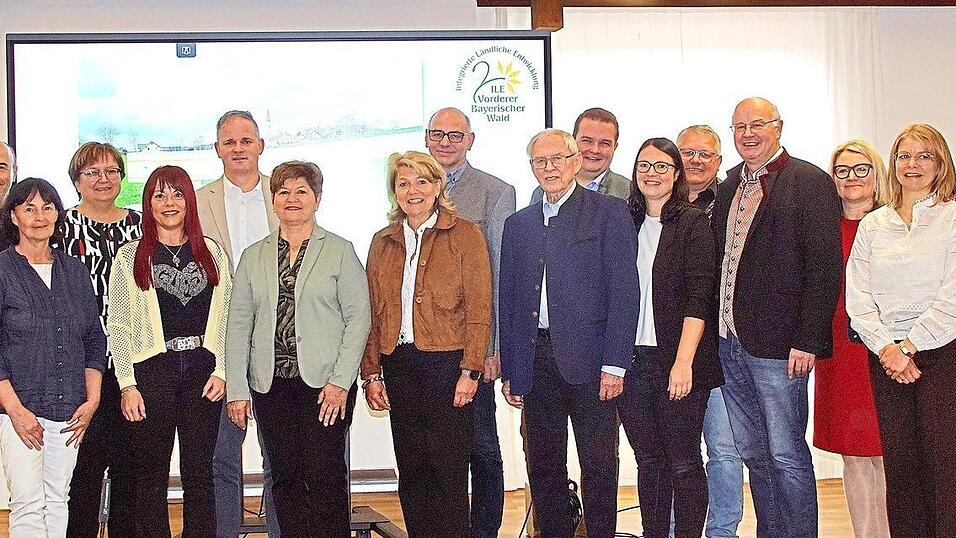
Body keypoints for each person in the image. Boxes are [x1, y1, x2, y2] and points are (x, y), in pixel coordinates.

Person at [500, 128, 639, 538]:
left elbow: (624, 293)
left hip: (593, 362)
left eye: (557, 158)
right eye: (540, 161)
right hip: (536, 360)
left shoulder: (608, 212)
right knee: (543, 465)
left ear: (575, 161)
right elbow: (509, 300)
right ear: (532, 168)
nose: (549, 168)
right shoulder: (518, 224)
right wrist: (513, 368)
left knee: (598, 465)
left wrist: (615, 364)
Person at [712, 97, 842, 537]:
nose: (747, 133)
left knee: (786, 454)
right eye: (739, 126)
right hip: (729, 342)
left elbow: (825, 267)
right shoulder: (728, 184)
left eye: (757, 124)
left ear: (779, 127)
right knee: (753, 453)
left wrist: (808, 338)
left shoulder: (809, 181)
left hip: (780, 346)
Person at [225, 160, 371, 536]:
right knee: (284, 477)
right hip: (271, 386)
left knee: (325, 477)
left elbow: (359, 320)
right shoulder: (253, 256)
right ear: (273, 201)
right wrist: (238, 390)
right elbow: (238, 325)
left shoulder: (340, 250)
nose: (292, 199)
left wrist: (340, 382)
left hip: (325, 386)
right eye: (283, 191)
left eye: (301, 191)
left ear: (317, 199)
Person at [362, 150, 492, 537]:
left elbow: (479, 306)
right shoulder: (382, 241)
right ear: (394, 192)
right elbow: (373, 312)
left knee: (448, 472)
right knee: (412, 470)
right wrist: (370, 373)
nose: (412, 191)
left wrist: (471, 369)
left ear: (438, 186)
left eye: (422, 181)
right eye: (403, 183)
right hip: (399, 365)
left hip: (448, 366)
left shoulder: (465, 234)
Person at [107, 165, 232, 536]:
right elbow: (119, 324)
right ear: (148, 204)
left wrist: (222, 369)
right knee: (151, 474)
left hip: (203, 373)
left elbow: (225, 316)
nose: (169, 202)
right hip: (151, 373)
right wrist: (127, 384)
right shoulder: (131, 256)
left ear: (189, 200)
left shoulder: (212, 252)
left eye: (177, 194)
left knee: (199, 473)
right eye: (159, 195)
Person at [846, 124, 956, 537]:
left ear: (940, 163)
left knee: (945, 469)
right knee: (902, 467)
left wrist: (910, 345)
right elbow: (858, 296)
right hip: (887, 357)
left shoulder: (952, 216)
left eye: (924, 156)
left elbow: (952, 295)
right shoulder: (875, 224)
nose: (913, 165)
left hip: (943, 353)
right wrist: (888, 348)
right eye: (905, 156)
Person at [618, 137, 722, 538]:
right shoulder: (622, 222)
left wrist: (683, 363)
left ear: (676, 174)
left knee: (683, 461)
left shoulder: (694, 222)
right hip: (631, 362)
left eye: (662, 166)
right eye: (644, 165)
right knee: (648, 461)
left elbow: (700, 297)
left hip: (678, 361)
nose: (652, 173)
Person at [424, 106, 515, 538]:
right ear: (426, 138)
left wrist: (492, 348)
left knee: (482, 448)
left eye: (455, 135)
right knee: (438, 451)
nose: (446, 142)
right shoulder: (414, 189)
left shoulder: (495, 192)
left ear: (470, 140)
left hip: (473, 347)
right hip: (426, 348)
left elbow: (497, 275)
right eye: (438, 134)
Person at [0, 178, 106, 538]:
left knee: (59, 499)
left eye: (47, 207)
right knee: (28, 504)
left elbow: (94, 338)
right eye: (28, 208)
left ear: (58, 216)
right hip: (20, 411)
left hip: (70, 410)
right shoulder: (2, 270)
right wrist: (16, 411)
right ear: (13, 216)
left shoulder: (74, 271)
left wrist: (92, 400)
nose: (39, 216)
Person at [197, 110, 280, 537]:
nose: (238, 149)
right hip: (221, 343)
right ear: (217, 150)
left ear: (260, 146)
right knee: (222, 456)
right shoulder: (198, 200)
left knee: (278, 456)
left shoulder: (284, 196)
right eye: (229, 142)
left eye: (246, 141)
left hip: (279, 342)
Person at [62, 141, 144, 537]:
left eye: (112, 171)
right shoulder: (58, 226)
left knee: (131, 468)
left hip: (136, 366)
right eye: (92, 171)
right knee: (85, 471)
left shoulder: (142, 225)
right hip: (80, 367)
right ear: (76, 179)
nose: (103, 179)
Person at [812, 140, 889, 538]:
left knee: (889, 452)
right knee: (854, 454)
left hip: (884, 351)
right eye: (842, 171)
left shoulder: (893, 223)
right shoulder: (823, 227)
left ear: (877, 176)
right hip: (838, 351)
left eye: (861, 169)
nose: (852, 178)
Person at [676, 124, 744, 537]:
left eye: (706, 154)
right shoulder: (656, 204)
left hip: (720, 345)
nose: (696, 160)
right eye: (688, 152)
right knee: (675, 452)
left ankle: (722, 531)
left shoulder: (735, 203)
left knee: (722, 449)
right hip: (673, 346)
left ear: (718, 162)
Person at [530, 108, 630, 202]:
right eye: (587, 141)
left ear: (615, 147)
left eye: (604, 143)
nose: (595, 150)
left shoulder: (629, 194)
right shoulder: (541, 192)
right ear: (573, 142)